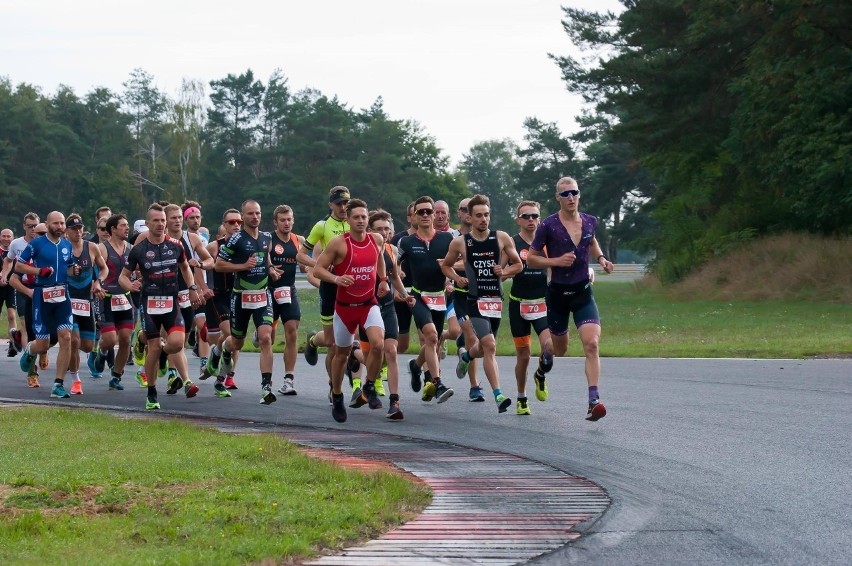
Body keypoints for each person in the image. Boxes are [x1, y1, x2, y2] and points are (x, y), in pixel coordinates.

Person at [526, 177, 614, 421]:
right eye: (565, 194)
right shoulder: (548, 226)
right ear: (558, 198)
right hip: (557, 297)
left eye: (574, 193)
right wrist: (555, 261)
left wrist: (602, 258)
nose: (570, 197)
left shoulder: (589, 221)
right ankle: (543, 365)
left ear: (579, 195)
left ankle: (593, 400)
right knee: (560, 350)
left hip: (583, 294)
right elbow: (531, 259)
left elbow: (592, 240)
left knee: (592, 344)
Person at [311, 199, 393, 423]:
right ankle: (337, 395)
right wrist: (336, 278)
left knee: (378, 344)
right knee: (341, 354)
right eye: (355, 217)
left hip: (369, 303)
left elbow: (379, 260)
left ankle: (369, 386)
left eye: (364, 217)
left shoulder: (376, 239)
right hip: (345, 308)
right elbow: (317, 269)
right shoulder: (339, 243)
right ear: (348, 219)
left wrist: (383, 280)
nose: (360, 221)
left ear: (368, 219)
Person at [443, 194, 522, 413]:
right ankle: (498, 395)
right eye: (478, 215)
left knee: (483, 347)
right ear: (470, 217)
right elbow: (446, 266)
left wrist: (503, 271)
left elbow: (518, 265)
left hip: (495, 300)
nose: (483, 219)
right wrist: (457, 278)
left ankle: (466, 355)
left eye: (486, 215)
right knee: (490, 346)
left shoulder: (502, 238)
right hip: (474, 301)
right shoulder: (460, 242)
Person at [118, 204, 201, 410]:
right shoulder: (139, 250)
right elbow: (123, 277)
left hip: (172, 303)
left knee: (177, 343)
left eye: (163, 220)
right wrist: (131, 285)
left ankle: (165, 355)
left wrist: (191, 287)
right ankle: (152, 392)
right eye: (156, 220)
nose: (160, 224)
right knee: (153, 347)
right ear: (147, 224)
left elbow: (184, 267)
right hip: (150, 305)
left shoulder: (176, 245)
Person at [213, 199, 277, 405]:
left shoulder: (267, 237)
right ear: (243, 217)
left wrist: (272, 270)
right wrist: (242, 266)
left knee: (266, 338)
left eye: (257, 213)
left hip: (262, 294)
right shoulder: (236, 239)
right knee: (237, 342)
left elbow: (265, 260)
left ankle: (266, 387)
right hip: (241, 296)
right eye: (250, 214)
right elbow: (219, 265)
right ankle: (222, 350)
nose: (255, 217)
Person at [397, 196, 455, 404]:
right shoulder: (407, 242)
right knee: (430, 335)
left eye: (428, 211)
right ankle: (437, 383)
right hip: (417, 296)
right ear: (413, 216)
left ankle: (416, 365)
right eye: (420, 212)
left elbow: (459, 263)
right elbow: (391, 264)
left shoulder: (447, 239)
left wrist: (450, 276)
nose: (425, 215)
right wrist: (398, 282)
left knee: (435, 340)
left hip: (439, 296)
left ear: (433, 214)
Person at [16, 211, 76, 399]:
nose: (60, 227)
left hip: (63, 295)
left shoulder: (67, 244)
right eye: (56, 223)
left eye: (62, 224)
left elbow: (70, 269)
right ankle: (30, 349)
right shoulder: (36, 244)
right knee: (42, 344)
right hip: (42, 295)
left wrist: (75, 270)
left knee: (66, 337)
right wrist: (38, 270)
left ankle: (58, 384)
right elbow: (18, 266)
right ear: (48, 224)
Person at [297, 186, 351, 376]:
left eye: (346, 203)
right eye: (339, 204)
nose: (343, 207)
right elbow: (301, 255)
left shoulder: (357, 223)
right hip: (330, 286)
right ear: (330, 205)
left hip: (350, 286)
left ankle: (338, 385)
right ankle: (313, 341)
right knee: (331, 342)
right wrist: (320, 264)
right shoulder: (322, 226)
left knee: (348, 340)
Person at [163, 203, 214, 395]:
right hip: (163, 295)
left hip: (186, 294)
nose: (176, 221)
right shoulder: (157, 240)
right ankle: (182, 380)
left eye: (178, 217)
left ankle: (167, 365)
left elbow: (210, 261)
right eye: (173, 218)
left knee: (179, 341)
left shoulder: (192, 238)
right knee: (171, 337)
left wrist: (199, 263)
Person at [507, 201, 551, 415]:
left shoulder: (546, 243)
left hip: (542, 304)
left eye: (534, 216)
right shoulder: (512, 242)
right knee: (523, 356)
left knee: (550, 348)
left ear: (539, 219)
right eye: (526, 216)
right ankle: (522, 398)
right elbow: (500, 267)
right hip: (519, 305)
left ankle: (540, 375)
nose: (531, 220)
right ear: (518, 220)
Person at [364, 208, 408, 419]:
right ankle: (369, 384)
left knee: (391, 350)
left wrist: (405, 294)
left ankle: (395, 402)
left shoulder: (392, 250)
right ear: (370, 230)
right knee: (375, 349)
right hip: (366, 306)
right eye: (379, 229)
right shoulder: (363, 248)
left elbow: (394, 276)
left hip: (387, 304)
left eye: (387, 229)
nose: (384, 233)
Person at [200, 211, 243, 397]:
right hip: (218, 296)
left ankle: (222, 379)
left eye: (239, 222)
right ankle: (217, 354)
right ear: (224, 224)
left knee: (237, 341)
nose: (236, 225)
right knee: (227, 334)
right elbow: (198, 267)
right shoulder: (213, 246)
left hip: (238, 296)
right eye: (232, 222)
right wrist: (202, 288)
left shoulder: (245, 245)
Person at [65, 214, 109, 394]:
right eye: (74, 229)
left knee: (87, 346)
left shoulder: (91, 247)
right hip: (67, 300)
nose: (78, 231)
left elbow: (104, 268)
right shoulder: (63, 248)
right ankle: (75, 379)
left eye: (80, 228)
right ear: (67, 231)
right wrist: (67, 271)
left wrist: (98, 282)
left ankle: (82, 359)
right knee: (73, 341)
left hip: (86, 301)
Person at [95, 214, 137, 386]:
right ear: (113, 229)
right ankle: (102, 352)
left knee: (126, 339)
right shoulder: (102, 248)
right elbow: (92, 271)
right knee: (111, 339)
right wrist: (96, 284)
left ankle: (116, 376)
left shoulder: (132, 249)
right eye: (123, 225)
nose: (127, 228)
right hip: (106, 298)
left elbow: (140, 269)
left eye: (127, 225)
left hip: (125, 299)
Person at [267, 205, 304, 397]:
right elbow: (263, 259)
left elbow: (306, 262)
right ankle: (262, 333)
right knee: (268, 338)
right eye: (282, 220)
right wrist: (270, 268)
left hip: (289, 290)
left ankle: (288, 379)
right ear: (275, 222)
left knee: (292, 331)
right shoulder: (269, 240)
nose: (286, 223)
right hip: (269, 292)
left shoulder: (299, 240)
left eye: (289, 219)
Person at [0, 228, 21, 357]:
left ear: (12, 238)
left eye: (9, 236)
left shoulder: (16, 251)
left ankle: (12, 344)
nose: (6, 239)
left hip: (11, 286)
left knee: (12, 315)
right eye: (4, 236)